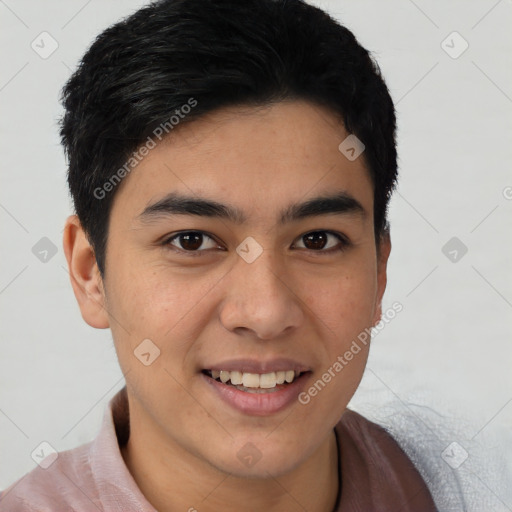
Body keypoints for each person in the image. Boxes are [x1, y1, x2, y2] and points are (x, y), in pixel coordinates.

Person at [0, 0, 440, 510]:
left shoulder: (453, 484)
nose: (265, 313)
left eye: (317, 240)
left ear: (379, 271)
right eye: (192, 241)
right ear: (90, 273)